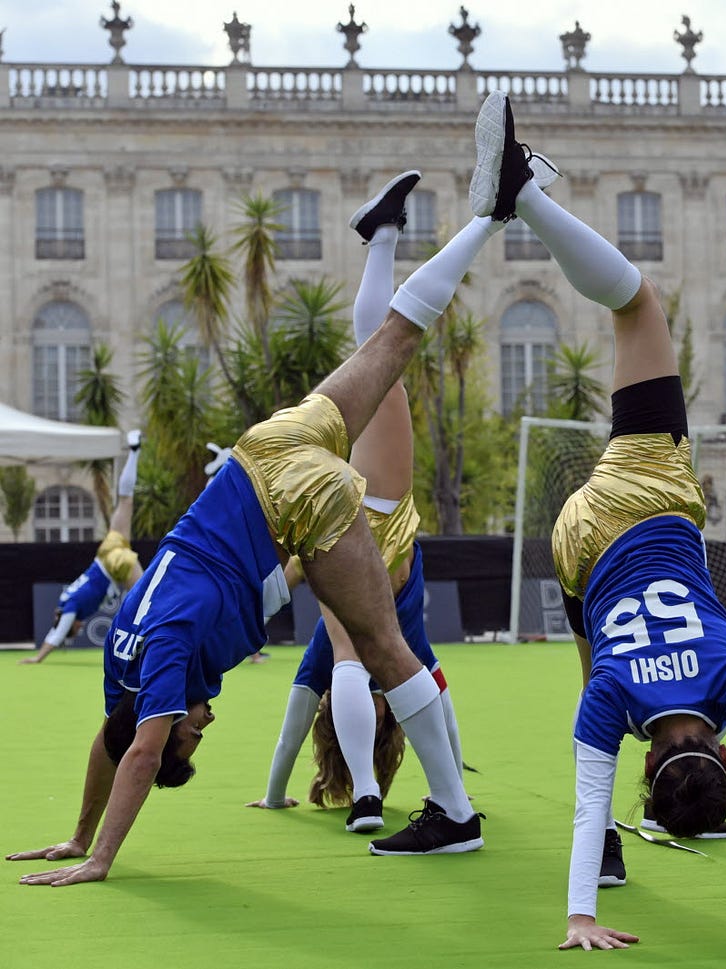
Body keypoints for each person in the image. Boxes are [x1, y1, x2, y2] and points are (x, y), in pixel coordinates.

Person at [8, 142, 517, 885]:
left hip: (298, 499)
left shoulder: (163, 665)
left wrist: (102, 858)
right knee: (392, 341)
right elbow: (112, 742)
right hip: (268, 443)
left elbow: (137, 752)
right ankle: (462, 221)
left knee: (381, 649)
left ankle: (456, 812)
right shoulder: (122, 667)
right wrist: (76, 833)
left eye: (191, 735)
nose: (203, 725)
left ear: (166, 719)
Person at [452, 94, 726, 950]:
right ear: (649, 762)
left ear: (719, 756)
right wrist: (578, 918)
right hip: (576, 553)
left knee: (639, 306)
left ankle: (522, 191)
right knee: (589, 654)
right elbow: (587, 799)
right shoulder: (613, 703)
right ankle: (606, 872)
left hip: (645, 505)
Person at [246, 171, 475, 830]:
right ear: (387, 726)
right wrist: (455, 782)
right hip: (366, 519)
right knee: (378, 355)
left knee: (383, 349)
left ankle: (386, 233)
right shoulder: (412, 657)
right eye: (386, 715)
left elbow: (294, 726)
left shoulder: (330, 661)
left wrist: (274, 790)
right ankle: (383, 234)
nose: (385, 707)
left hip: (371, 514)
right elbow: (437, 699)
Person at [25, 431, 145, 664]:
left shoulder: (71, 609)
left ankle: (148, 651)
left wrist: (38, 657)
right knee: (125, 500)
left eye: (76, 628)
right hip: (105, 552)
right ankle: (134, 451)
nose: (79, 627)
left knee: (144, 600)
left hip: (114, 564)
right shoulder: (65, 598)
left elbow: (58, 632)